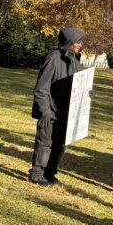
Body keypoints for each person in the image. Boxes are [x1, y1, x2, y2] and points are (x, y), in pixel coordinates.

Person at [29, 27, 85, 186]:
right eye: (78, 42)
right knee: (45, 142)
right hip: (51, 110)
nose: (80, 45)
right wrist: (45, 111)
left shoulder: (75, 61)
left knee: (60, 144)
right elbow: (41, 88)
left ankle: (50, 172)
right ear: (69, 42)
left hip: (68, 112)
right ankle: (37, 174)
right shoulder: (53, 59)